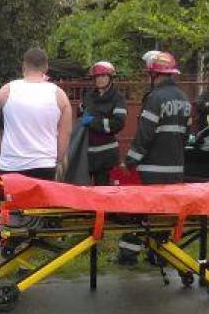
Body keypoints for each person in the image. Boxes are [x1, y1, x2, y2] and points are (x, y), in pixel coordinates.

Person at [118, 51, 192, 265]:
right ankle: (159, 255)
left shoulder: (155, 98)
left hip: (152, 170)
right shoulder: (184, 99)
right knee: (164, 215)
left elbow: (145, 135)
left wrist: (130, 161)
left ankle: (128, 255)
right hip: (176, 169)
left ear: (154, 75)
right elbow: (186, 135)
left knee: (141, 212)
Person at [0, 47, 72, 181]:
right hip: (45, 164)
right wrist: (58, 159)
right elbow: (65, 132)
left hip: (10, 164)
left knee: (7, 196)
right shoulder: (59, 95)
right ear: (46, 67)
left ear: (24, 66)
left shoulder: (6, 91)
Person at [80, 61, 127, 185]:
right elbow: (81, 116)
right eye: (97, 77)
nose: (99, 79)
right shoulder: (89, 96)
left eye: (103, 76)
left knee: (103, 191)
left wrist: (93, 122)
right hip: (87, 154)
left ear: (110, 78)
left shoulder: (118, 98)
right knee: (83, 190)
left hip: (106, 156)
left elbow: (117, 124)